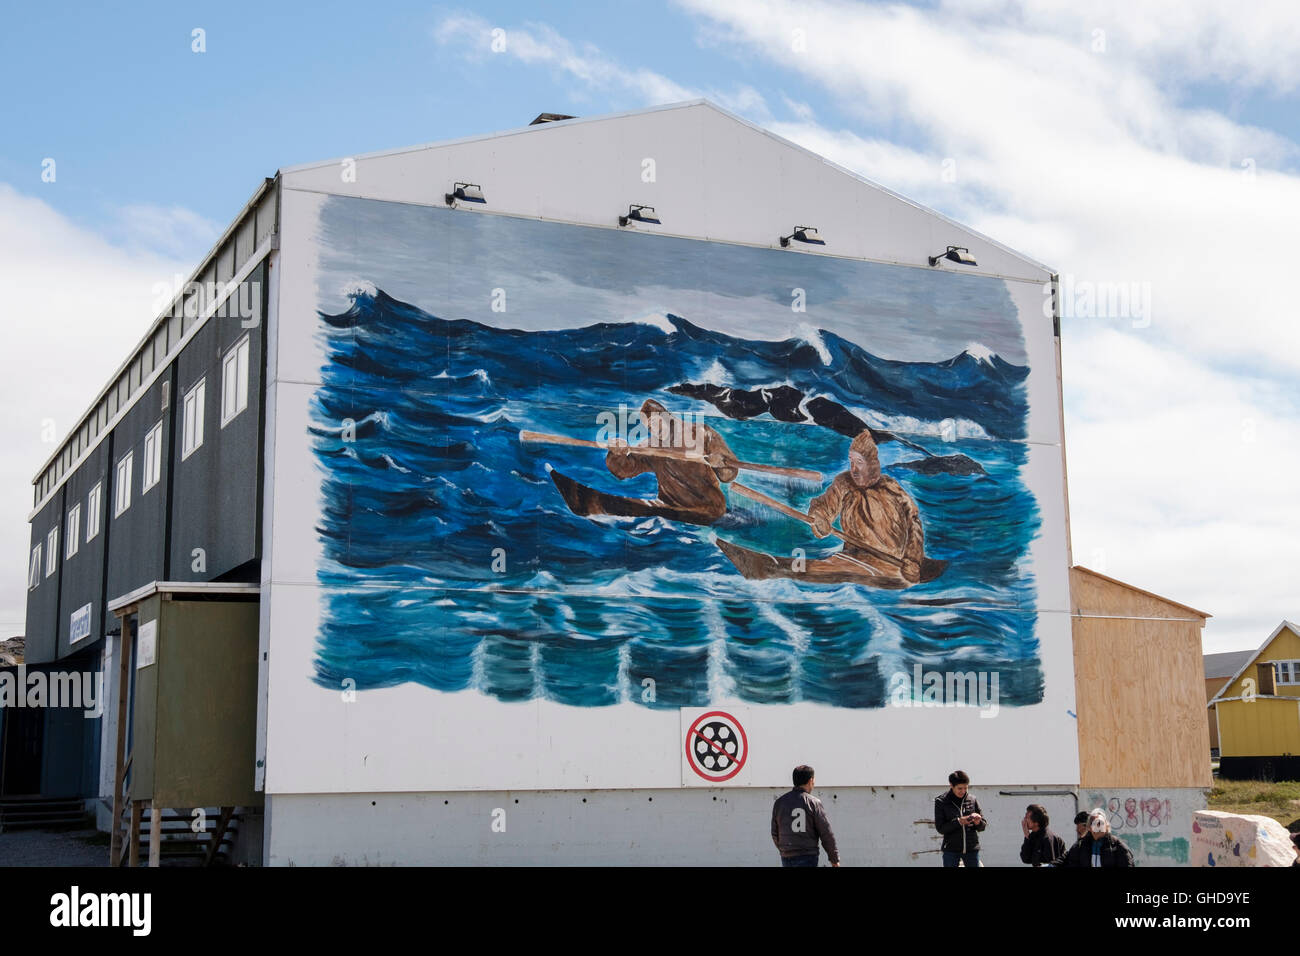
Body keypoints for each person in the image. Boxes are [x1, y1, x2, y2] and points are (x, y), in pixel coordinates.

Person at [807, 430, 926, 584]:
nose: (854, 469)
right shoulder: (843, 482)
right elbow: (823, 505)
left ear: (871, 464)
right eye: (851, 462)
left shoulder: (891, 488)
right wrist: (820, 518)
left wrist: (913, 560)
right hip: (854, 558)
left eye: (859, 462)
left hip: (892, 564)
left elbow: (913, 523)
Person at [604, 399, 739, 523]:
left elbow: (729, 475)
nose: (655, 430)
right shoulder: (651, 446)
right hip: (671, 508)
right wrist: (617, 453)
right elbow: (624, 470)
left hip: (709, 510)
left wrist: (721, 463)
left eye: (657, 423)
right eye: (650, 428)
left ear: (667, 416)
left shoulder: (701, 432)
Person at [771, 765, 841, 867]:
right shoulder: (814, 803)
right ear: (810, 780)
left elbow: (774, 833)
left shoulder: (779, 803)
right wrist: (834, 859)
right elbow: (826, 833)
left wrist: (785, 850)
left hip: (787, 857)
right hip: (808, 857)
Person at [934, 770, 986, 867]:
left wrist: (978, 822)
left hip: (971, 849)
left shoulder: (972, 799)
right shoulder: (941, 801)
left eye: (965, 788)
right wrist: (959, 821)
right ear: (951, 786)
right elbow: (940, 828)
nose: (963, 791)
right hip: (951, 850)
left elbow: (982, 826)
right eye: (959, 788)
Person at [1060, 809, 1135, 867]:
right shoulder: (1079, 846)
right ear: (1089, 827)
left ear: (1107, 826)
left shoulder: (1118, 847)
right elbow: (1070, 862)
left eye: (1100, 823)